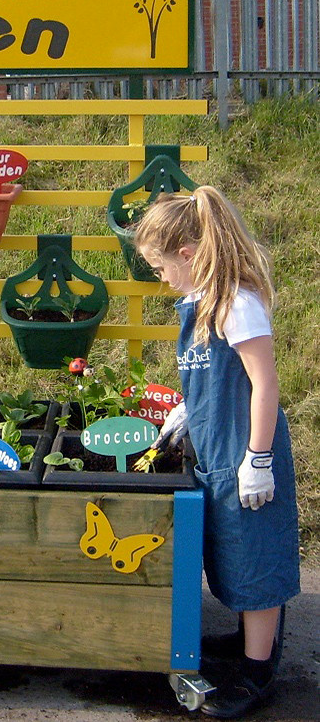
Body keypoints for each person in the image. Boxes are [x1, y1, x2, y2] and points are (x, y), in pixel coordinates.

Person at [134, 186, 300, 719]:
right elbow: (212, 377)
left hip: (246, 455)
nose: (161, 278)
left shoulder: (236, 304)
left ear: (187, 255)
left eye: (161, 266)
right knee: (232, 550)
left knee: (256, 557)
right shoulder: (201, 305)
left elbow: (265, 384)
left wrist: (259, 458)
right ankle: (249, 639)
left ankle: (258, 671)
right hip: (217, 450)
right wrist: (185, 410)